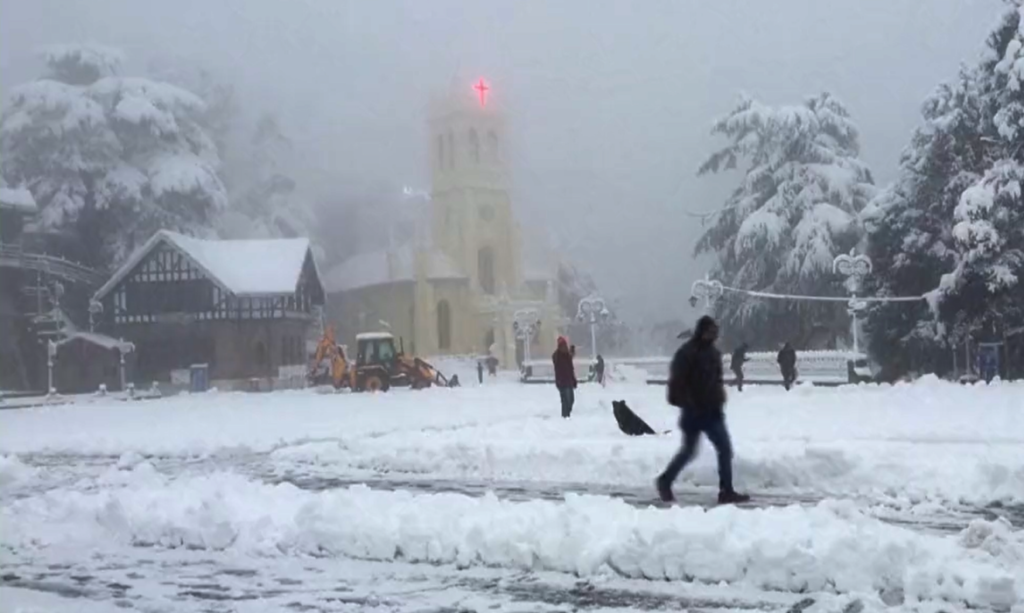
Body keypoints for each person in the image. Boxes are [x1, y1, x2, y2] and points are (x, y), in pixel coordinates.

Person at [656, 315, 749, 505]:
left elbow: (715, 381)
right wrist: (690, 404)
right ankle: (665, 481)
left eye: (715, 332)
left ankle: (726, 491)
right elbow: (676, 385)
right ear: (702, 331)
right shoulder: (687, 353)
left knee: (723, 449)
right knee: (690, 451)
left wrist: (719, 398)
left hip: (712, 411)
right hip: (694, 413)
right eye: (710, 332)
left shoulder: (713, 353)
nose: (714, 336)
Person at [553, 336, 577, 418]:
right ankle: (565, 416)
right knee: (565, 400)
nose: (564, 347)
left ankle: (567, 414)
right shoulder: (557, 356)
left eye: (565, 345)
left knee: (571, 399)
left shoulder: (567, 355)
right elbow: (555, 358)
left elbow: (571, 367)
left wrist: (574, 380)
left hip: (569, 380)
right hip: (562, 381)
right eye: (562, 345)